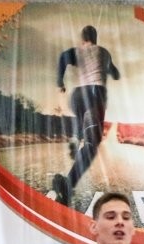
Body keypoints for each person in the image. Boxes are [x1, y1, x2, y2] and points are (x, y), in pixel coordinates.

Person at [51, 25, 121, 205]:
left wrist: (60, 81)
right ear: (95, 38)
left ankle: (76, 138)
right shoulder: (104, 52)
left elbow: (63, 57)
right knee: (91, 144)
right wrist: (111, 70)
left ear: (83, 39)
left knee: (84, 123)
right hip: (94, 95)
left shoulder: (78, 51)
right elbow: (115, 74)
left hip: (77, 97)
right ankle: (68, 185)